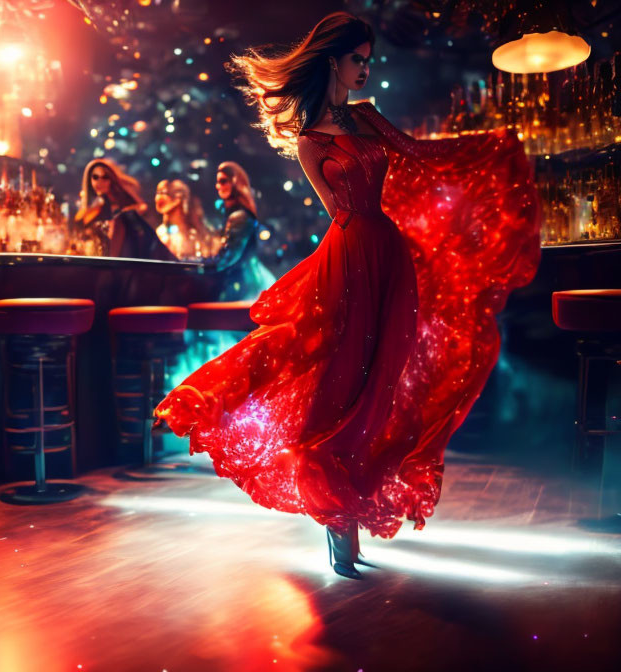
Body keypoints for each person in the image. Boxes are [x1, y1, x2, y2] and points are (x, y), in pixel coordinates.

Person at [153, 12, 540, 579]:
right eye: (358, 58)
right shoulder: (311, 143)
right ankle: (318, 503)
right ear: (333, 60)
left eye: (369, 58)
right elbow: (337, 212)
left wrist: (487, 149)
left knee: (385, 383)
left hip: (389, 256)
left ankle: (347, 514)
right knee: (335, 378)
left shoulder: (368, 119)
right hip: (348, 255)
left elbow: (424, 158)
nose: (365, 67)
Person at [76, 159, 175, 260]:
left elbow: (142, 207)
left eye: (105, 177)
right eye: (95, 177)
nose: (99, 182)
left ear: (111, 178)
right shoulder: (96, 204)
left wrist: (124, 214)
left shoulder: (120, 195)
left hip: (127, 251)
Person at [210, 161, 275, 300]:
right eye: (217, 182)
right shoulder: (233, 214)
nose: (218, 186)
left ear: (235, 182)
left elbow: (228, 256)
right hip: (243, 278)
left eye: (223, 181)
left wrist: (205, 264)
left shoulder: (239, 217)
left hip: (242, 283)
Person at [153, 179, 213, 260]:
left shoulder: (194, 234)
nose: (158, 198)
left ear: (178, 198)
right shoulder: (160, 232)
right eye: (158, 193)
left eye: (164, 193)